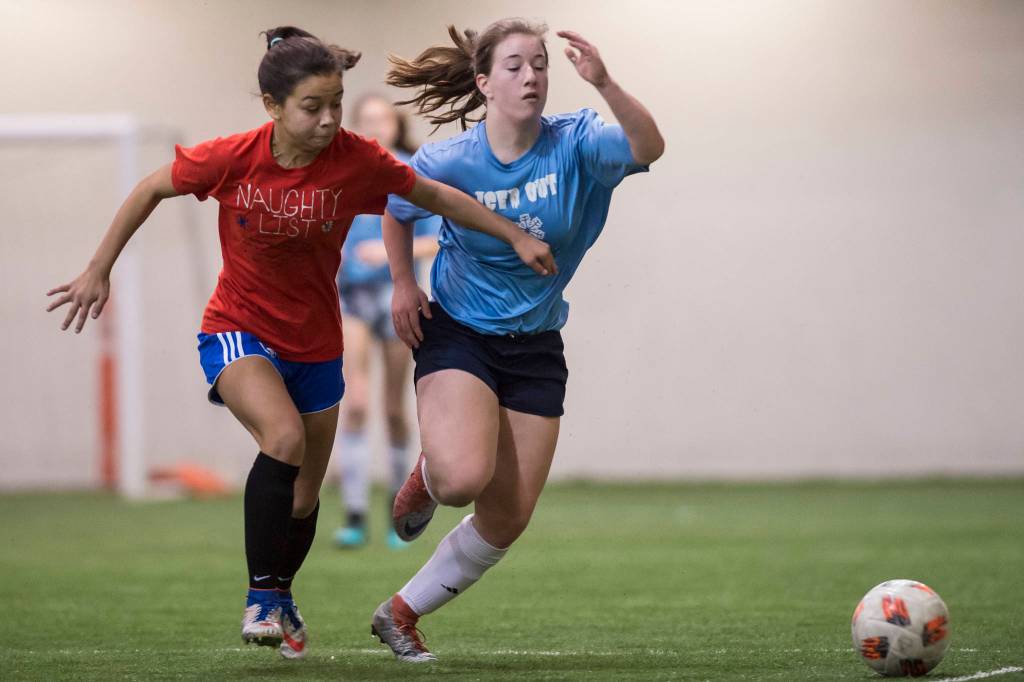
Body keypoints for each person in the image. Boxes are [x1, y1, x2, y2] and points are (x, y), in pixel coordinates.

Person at [45, 25, 554, 661]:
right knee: (282, 439)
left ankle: (281, 594)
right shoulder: (233, 158)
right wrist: (99, 269)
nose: (329, 119)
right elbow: (152, 186)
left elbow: (434, 196)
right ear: (273, 106)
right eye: (313, 107)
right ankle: (260, 595)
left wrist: (513, 233)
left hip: (315, 345)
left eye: (336, 103)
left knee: (306, 493)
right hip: (238, 329)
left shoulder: (355, 160)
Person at [368, 19, 664, 662]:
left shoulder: (579, 144)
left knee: (507, 519)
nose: (531, 76)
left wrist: (606, 83)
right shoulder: (450, 159)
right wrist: (403, 283)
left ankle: (400, 613)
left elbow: (650, 146)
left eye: (540, 65)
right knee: (460, 480)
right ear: (484, 83)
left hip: (536, 344)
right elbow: (397, 205)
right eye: (515, 66)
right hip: (459, 331)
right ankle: (431, 472)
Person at [334, 95, 440, 550]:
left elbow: (437, 239)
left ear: (396, 126)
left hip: (398, 297)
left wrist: (389, 251)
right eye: (367, 120)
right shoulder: (341, 171)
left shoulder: (412, 173)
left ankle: (400, 513)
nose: (375, 127)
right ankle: (354, 514)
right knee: (356, 403)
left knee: (395, 410)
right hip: (352, 298)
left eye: (383, 119)